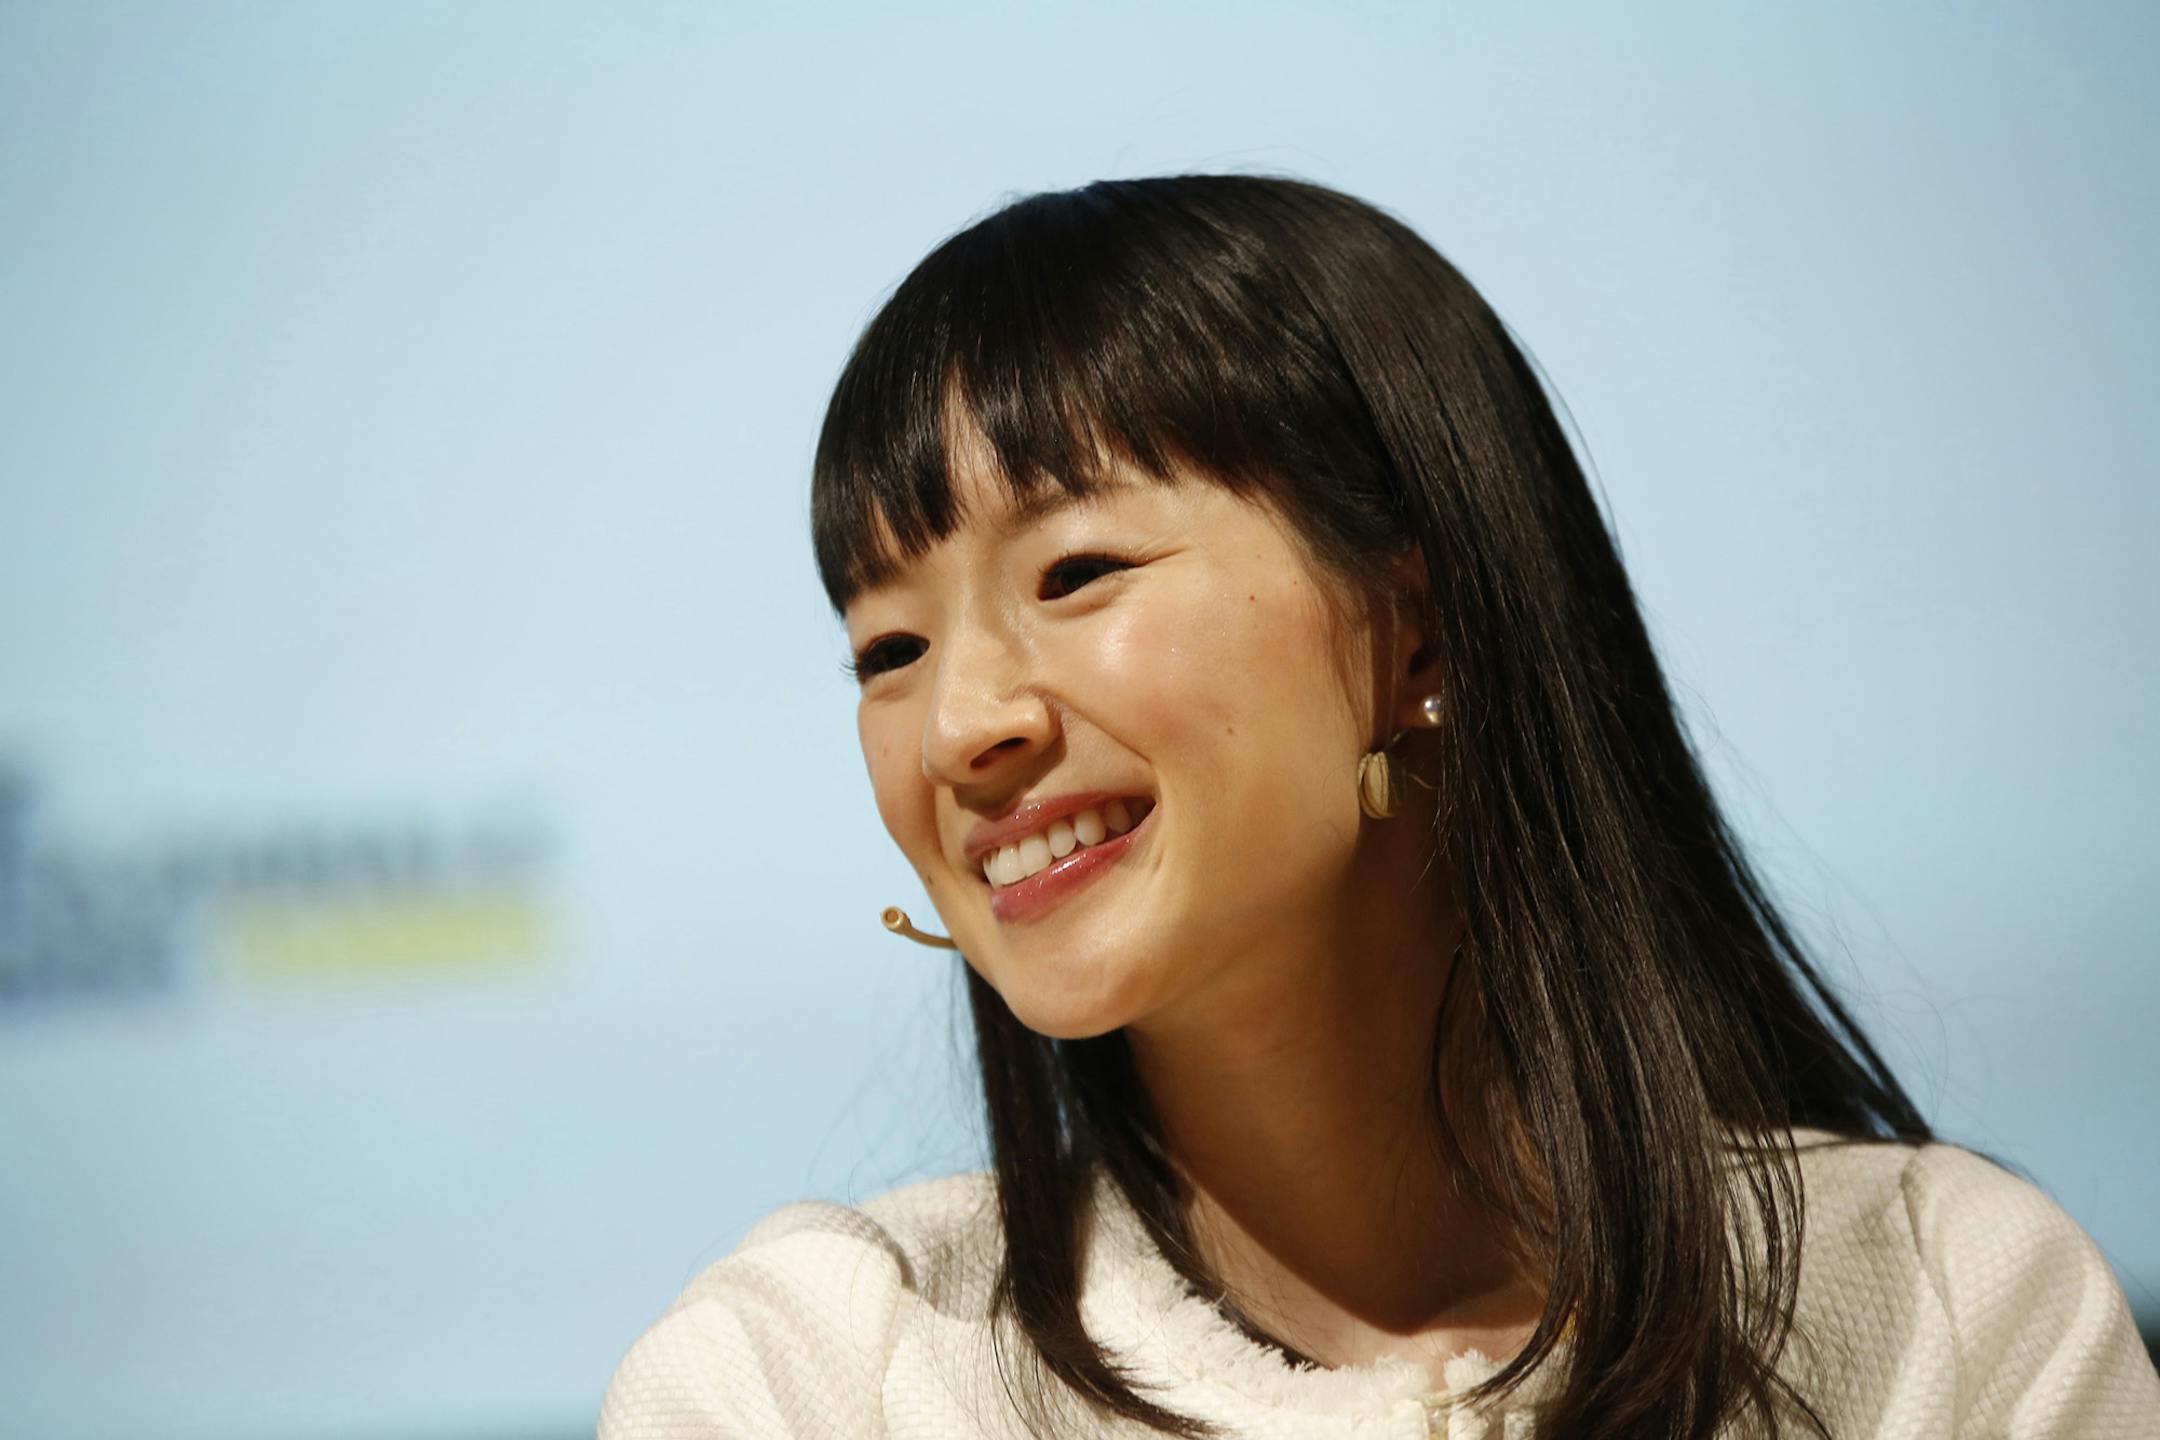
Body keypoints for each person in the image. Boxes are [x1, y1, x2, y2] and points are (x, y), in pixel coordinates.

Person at [598, 175, 2160, 1438]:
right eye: (889, 648)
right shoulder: (814, 1384)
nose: (959, 727)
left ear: (1418, 631)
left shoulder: (1949, 1314)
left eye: (1076, 572)